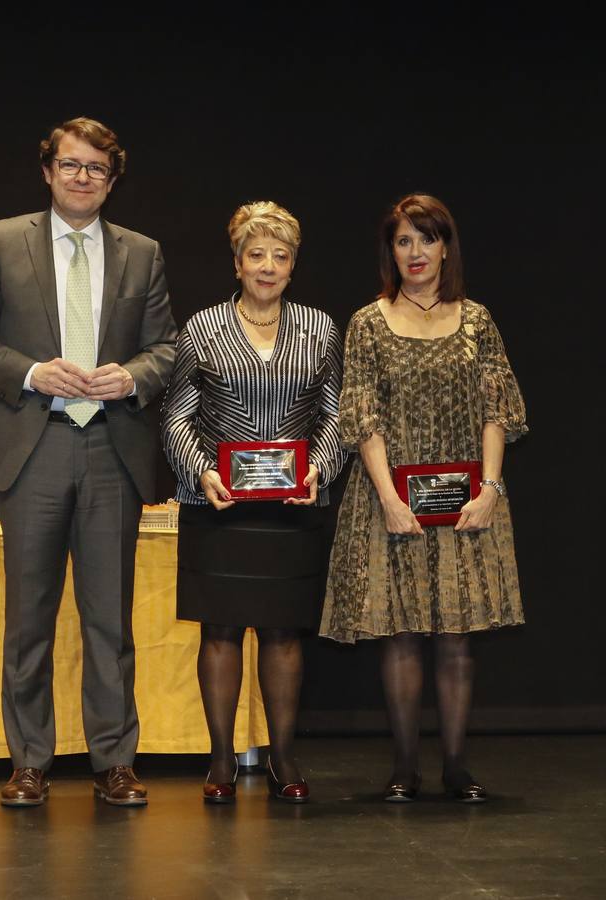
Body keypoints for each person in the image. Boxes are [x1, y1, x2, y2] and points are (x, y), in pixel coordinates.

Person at [0, 117, 177, 807]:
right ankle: (29, 761)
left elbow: (167, 348)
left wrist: (133, 378)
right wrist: (31, 374)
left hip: (112, 449)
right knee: (29, 618)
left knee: (110, 618)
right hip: (34, 448)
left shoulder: (142, 252)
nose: (83, 178)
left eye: (97, 170)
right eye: (72, 166)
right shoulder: (2, 240)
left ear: (113, 181)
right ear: (47, 170)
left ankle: (114, 761)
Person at [321, 193, 527, 804]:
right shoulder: (366, 322)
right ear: (390, 249)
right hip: (394, 500)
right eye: (403, 241)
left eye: (427, 239)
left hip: (467, 504)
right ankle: (405, 767)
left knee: (458, 637)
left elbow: (498, 408)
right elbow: (362, 416)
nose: (415, 253)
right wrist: (387, 497)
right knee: (402, 634)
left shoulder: (477, 320)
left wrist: (490, 489)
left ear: (446, 248)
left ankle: (457, 766)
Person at [161, 201, 345, 804]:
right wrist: (201, 473)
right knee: (219, 631)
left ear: (293, 266)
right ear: (237, 262)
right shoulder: (201, 328)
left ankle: (283, 757)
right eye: (257, 254)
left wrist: (318, 468)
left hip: (291, 508)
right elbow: (177, 418)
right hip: (219, 505)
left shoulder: (320, 329)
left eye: (281, 255)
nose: (268, 266)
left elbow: (334, 417)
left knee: (284, 633)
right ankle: (219, 760)